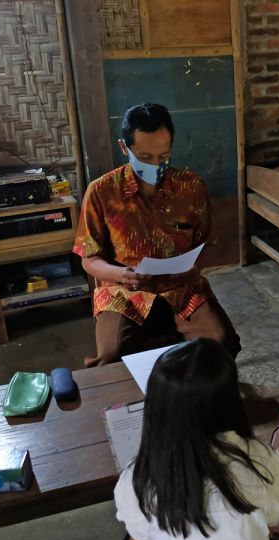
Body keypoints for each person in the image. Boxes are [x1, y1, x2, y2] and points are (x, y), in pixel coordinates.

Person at [114, 339, 279, 540]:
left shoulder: (137, 479)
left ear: (156, 410)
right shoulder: (261, 460)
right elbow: (272, 518)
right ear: (233, 400)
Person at [73, 102, 241, 366]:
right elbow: (88, 258)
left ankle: (196, 400)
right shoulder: (102, 191)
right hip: (124, 291)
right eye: (145, 158)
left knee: (222, 342)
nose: (156, 165)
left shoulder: (191, 186)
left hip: (182, 287)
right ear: (124, 148)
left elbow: (207, 243)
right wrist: (121, 275)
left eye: (163, 157)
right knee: (110, 356)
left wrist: (194, 266)